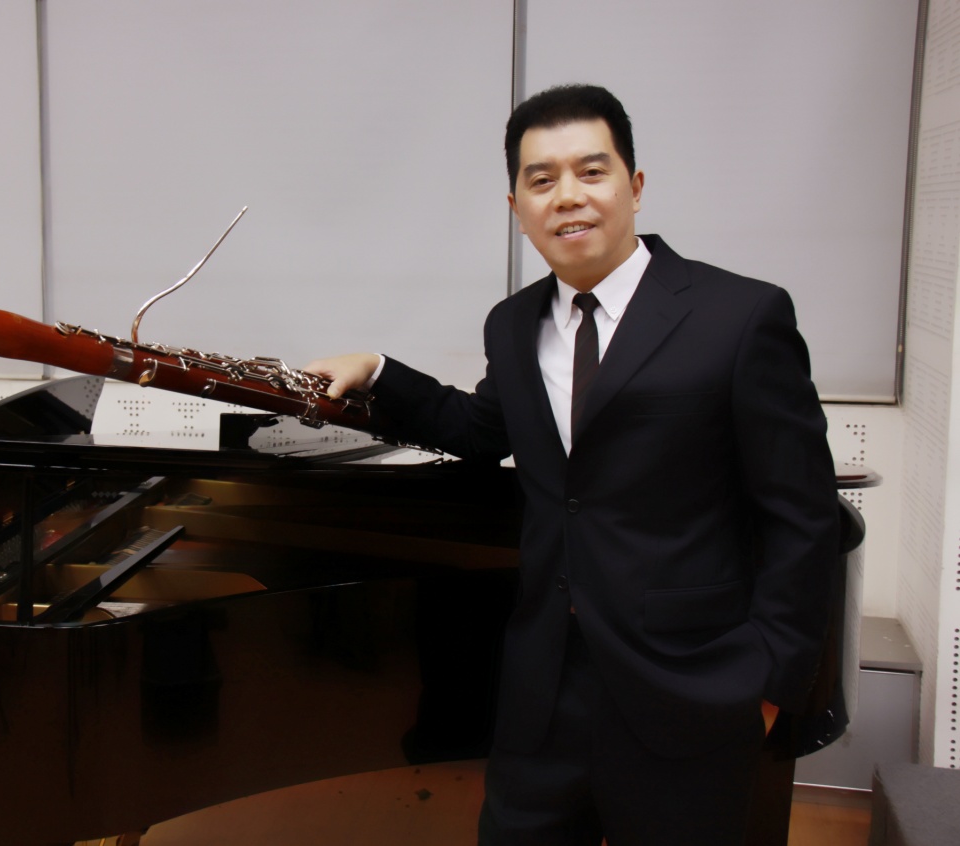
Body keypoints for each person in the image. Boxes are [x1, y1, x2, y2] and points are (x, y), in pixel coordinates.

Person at [305, 84, 839, 846]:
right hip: (544, 687)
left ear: (634, 185)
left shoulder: (740, 316)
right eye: (541, 179)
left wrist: (768, 682)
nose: (567, 197)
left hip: (691, 684)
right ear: (516, 206)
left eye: (591, 172)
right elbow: (482, 428)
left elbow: (801, 516)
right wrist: (380, 370)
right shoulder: (511, 323)